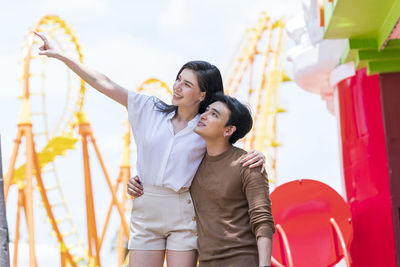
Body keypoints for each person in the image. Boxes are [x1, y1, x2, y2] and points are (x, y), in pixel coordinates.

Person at [34, 31, 267, 267]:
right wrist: (62, 56)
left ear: (202, 94)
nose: (177, 87)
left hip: (183, 213)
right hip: (146, 207)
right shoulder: (149, 109)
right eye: (178, 79)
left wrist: (257, 155)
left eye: (187, 84)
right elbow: (104, 83)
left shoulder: (204, 127)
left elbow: (226, 150)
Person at [191, 93, 275, 266]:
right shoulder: (191, 164)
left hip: (242, 260)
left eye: (214, 114)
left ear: (228, 130)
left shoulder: (248, 164)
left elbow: (262, 219)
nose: (204, 115)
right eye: (206, 110)